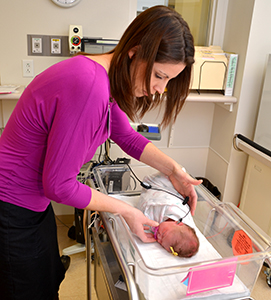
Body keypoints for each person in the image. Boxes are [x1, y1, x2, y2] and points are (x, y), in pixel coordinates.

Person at [0, 5, 201, 300]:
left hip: (33, 205)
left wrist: (175, 171)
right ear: (135, 51)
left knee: (49, 276)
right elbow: (58, 186)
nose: (160, 89)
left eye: (168, 81)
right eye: (159, 75)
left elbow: (128, 137)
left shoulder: (104, 81)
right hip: (11, 207)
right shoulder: (89, 85)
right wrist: (126, 210)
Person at [138, 172, 199, 258]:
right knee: (164, 179)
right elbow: (160, 202)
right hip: (165, 189)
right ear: (179, 223)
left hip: (152, 192)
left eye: (161, 242)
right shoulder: (176, 211)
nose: (158, 237)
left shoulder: (170, 231)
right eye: (163, 233)